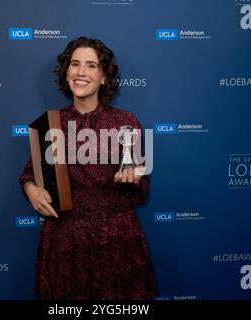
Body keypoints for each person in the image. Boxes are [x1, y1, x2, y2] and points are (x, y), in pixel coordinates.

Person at [19, 36, 157, 300]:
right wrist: (32, 190)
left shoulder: (125, 122)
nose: (81, 72)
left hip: (116, 237)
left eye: (91, 65)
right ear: (66, 73)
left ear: (104, 77)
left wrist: (135, 178)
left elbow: (143, 184)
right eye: (75, 64)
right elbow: (29, 175)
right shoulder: (50, 123)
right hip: (65, 240)